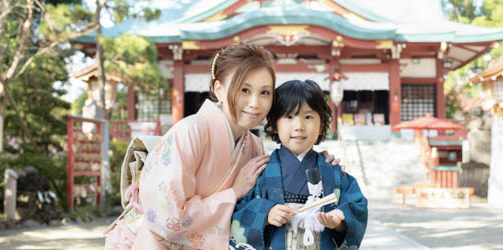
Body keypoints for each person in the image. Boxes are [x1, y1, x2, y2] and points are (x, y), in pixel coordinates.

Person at [104, 44, 340, 250]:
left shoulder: (254, 147)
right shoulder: (190, 131)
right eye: (244, 90)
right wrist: (233, 193)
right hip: (149, 243)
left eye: (265, 92)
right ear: (219, 89)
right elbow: (168, 218)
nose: (255, 103)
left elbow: (268, 196)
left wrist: (318, 163)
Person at [229, 79, 368, 250]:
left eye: (308, 117)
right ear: (274, 124)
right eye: (289, 117)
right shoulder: (261, 172)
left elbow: (357, 207)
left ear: (322, 124)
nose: (299, 126)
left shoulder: (332, 172)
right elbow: (236, 214)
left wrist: (339, 220)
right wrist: (266, 214)